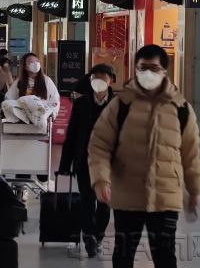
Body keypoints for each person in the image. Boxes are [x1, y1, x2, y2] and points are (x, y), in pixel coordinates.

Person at [88, 45, 200, 268]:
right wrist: (100, 179)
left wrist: (194, 187)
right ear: (136, 70)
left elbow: (191, 153)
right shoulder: (120, 105)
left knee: (165, 256)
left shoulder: (181, 109)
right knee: (123, 255)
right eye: (143, 68)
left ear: (164, 72)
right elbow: (99, 144)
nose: (148, 73)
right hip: (127, 194)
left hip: (166, 195)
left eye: (154, 68)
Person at [57, 64, 115, 258]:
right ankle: (89, 234)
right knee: (87, 201)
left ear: (111, 80)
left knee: (104, 204)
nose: (98, 80)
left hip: (109, 164)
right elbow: (72, 135)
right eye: (94, 77)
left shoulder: (118, 105)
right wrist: (65, 164)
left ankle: (98, 234)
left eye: (103, 77)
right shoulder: (81, 104)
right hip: (84, 160)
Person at [5, 52, 60, 191]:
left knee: (41, 160)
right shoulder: (19, 82)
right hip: (23, 129)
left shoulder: (47, 81)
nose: (35, 63)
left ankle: (45, 186)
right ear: (25, 66)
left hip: (41, 128)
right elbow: (9, 99)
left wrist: (49, 114)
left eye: (37, 61)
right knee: (23, 161)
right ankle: (21, 190)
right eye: (31, 61)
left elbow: (55, 101)